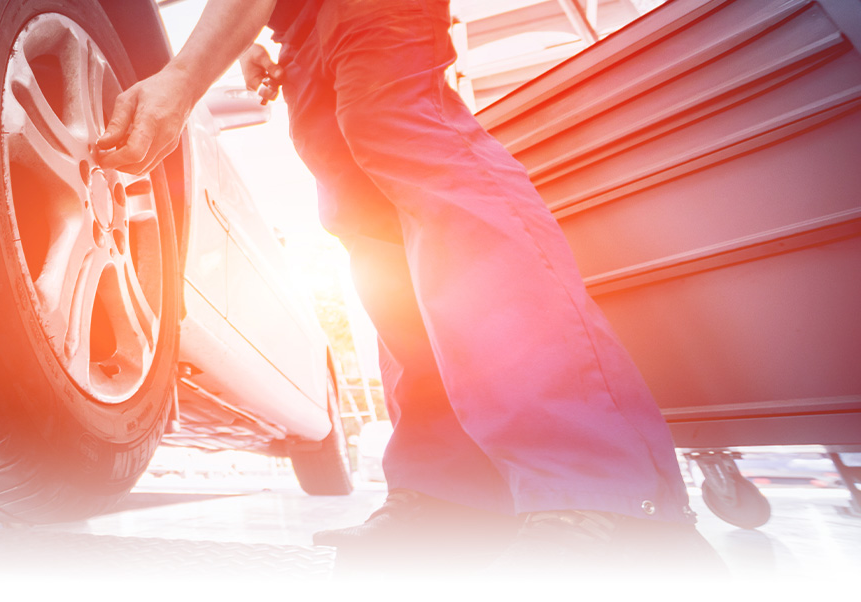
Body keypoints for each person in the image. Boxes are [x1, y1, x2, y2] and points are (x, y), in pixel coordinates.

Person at [95, 0, 720, 574]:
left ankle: (596, 479)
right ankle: (455, 493)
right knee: (366, 214)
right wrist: (248, 30)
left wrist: (185, 76)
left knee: (406, 137)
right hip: (298, 21)